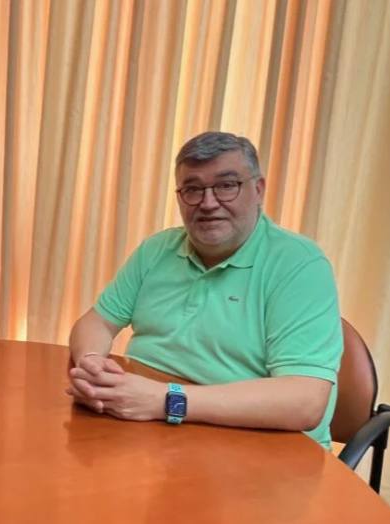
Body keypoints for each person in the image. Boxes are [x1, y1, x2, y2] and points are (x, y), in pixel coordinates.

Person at [66, 131, 342, 448]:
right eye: (193, 189)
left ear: (258, 189)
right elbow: (97, 322)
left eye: (227, 185)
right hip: (153, 432)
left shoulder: (299, 264)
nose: (208, 203)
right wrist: (93, 364)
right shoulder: (157, 250)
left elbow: (305, 401)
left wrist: (167, 401)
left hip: (262, 446)